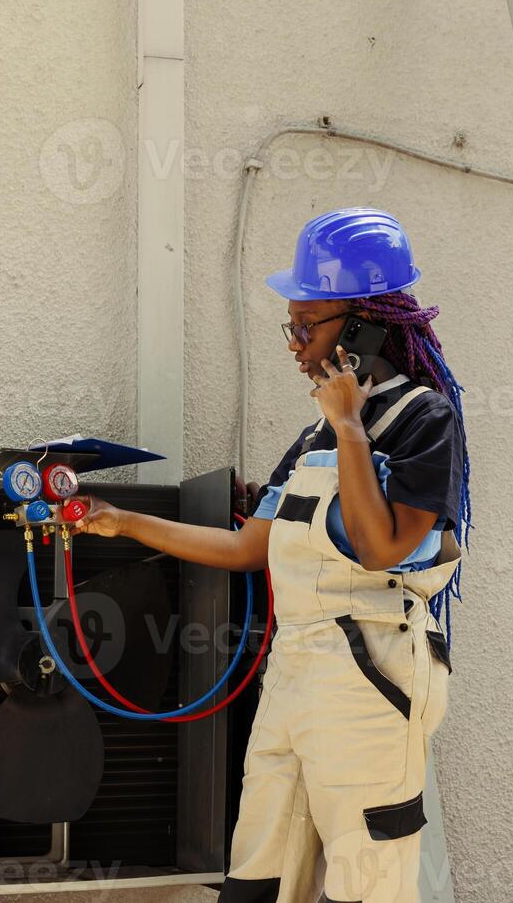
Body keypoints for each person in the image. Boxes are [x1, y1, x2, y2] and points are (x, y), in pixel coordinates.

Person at [66, 207, 472, 903]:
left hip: (372, 673)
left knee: (366, 881)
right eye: (290, 325)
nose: (293, 343)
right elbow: (246, 545)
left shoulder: (421, 420)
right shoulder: (316, 435)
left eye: (304, 325)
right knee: (259, 875)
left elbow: (382, 548)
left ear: (363, 326)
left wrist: (349, 426)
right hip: (295, 673)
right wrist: (122, 522)